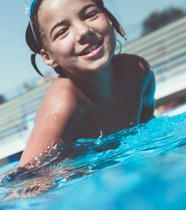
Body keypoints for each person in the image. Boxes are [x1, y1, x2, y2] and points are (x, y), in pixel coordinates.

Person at [20, 0, 156, 167]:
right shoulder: (63, 104)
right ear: (48, 56)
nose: (83, 31)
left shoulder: (138, 73)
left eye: (90, 15)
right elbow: (28, 180)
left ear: (108, 18)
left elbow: (149, 123)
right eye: (62, 31)